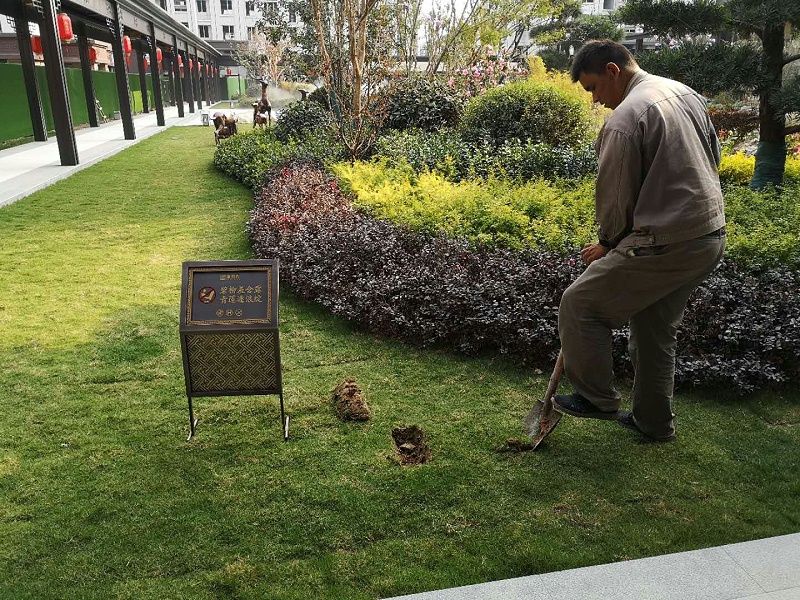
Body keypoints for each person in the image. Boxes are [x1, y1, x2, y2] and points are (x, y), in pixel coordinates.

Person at [553, 40, 726, 443]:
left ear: (613, 71)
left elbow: (615, 197)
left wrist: (608, 243)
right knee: (653, 330)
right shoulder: (683, 93)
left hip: (666, 242)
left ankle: (597, 399)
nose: (595, 101)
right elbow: (712, 157)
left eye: (593, 88)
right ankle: (653, 422)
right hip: (707, 237)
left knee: (579, 304)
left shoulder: (626, 120)